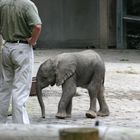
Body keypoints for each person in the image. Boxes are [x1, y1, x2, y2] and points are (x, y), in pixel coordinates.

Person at [0, 0, 42, 124]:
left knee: (3, 89)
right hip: (22, 48)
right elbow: (37, 26)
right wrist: (32, 41)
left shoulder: (2, 3)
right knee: (20, 91)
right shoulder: (27, 4)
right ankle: (20, 130)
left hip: (6, 47)